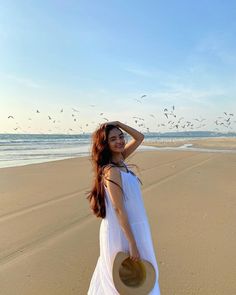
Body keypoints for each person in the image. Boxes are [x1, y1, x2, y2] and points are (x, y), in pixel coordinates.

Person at [86, 121, 161, 294]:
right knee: (123, 281)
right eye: (113, 139)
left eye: (121, 137)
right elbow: (118, 209)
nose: (119, 141)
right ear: (105, 145)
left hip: (135, 226)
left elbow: (139, 137)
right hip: (121, 231)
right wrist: (132, 243)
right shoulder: (111, 171)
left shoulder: (121, 162)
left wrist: (119, 123)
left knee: (141, 275)